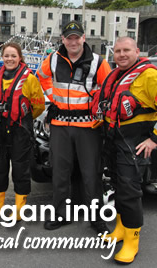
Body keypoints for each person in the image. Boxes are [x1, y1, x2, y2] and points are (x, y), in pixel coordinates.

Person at [36, 20, 111, 233]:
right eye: (69, 38)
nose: (73, 41)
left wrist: (97, 105)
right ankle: (61, 214)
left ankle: (97, 217)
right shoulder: (53, 59)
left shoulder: (98, 62)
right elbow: (41, 78)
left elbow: (107, 89)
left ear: (84, 38)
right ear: (63, 40)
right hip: (60, 124)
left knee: (91, 173)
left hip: (88, 126)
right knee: (60, 172)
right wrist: (53, 97)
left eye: (77, 37)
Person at [92, 37, 157, 264]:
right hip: (114, 140)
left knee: (130, 192)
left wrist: (154, 140)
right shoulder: (115, 75)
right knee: (118, 187)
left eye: (126, 50)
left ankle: (132, 240)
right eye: (118, 51)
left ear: (137, 51)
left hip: (135, 142)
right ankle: (120, 228)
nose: (121, 54)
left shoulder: (149, 75)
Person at [0, 42, 45, 220]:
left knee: (21, 170)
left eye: (13, 56)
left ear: (20, 58)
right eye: (6, 56)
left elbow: (39, 106)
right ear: (2, 57)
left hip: (20, 131)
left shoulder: (29, 79)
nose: (9, 59)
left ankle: (19, 208)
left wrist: (22, 118)